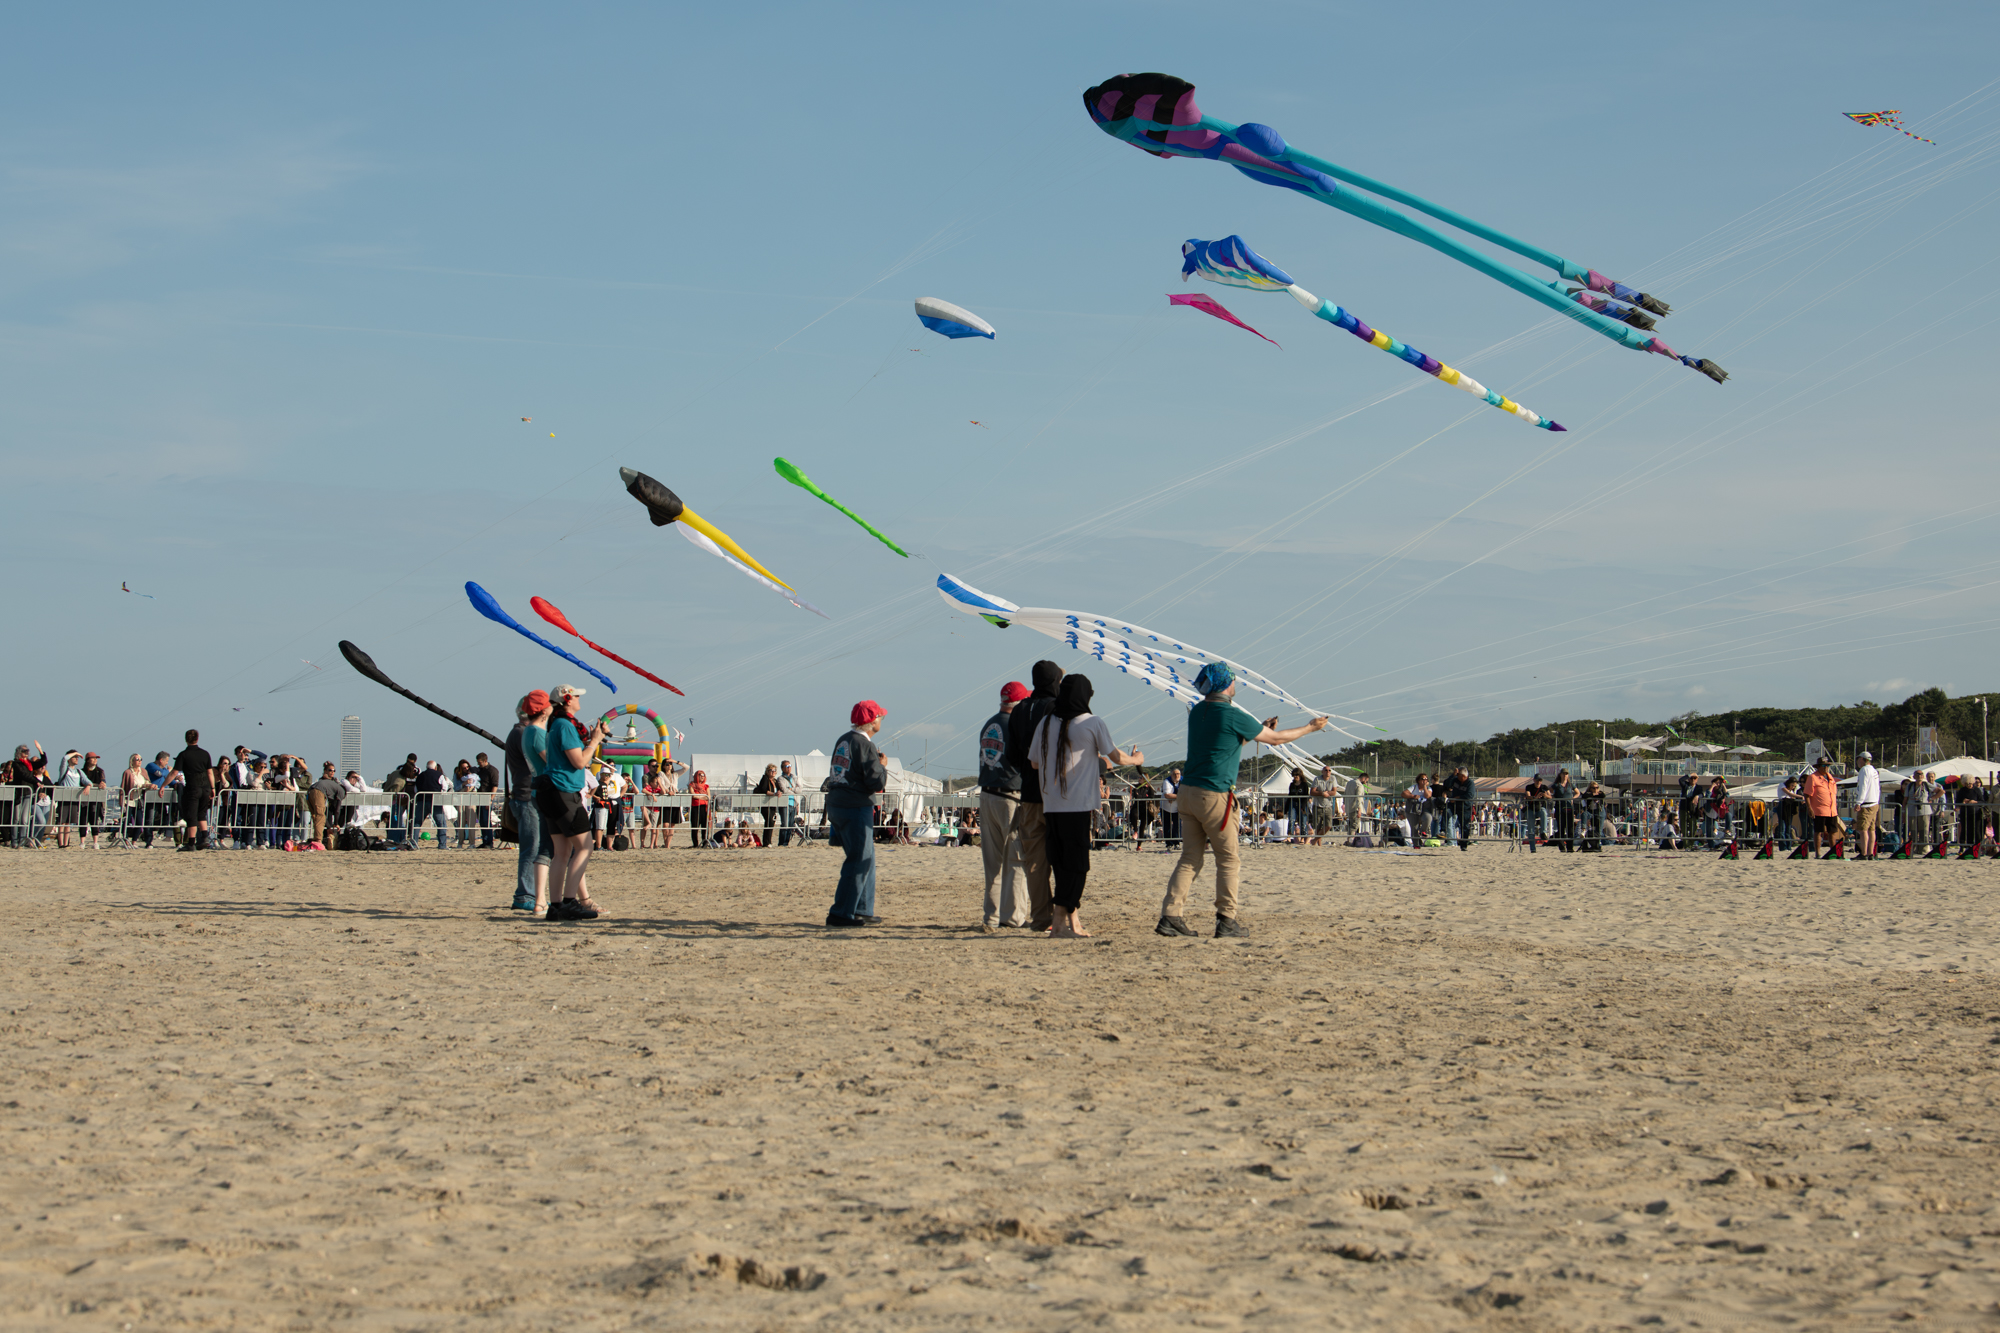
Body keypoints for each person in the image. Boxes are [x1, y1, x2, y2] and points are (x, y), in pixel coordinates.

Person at [1157, 663, 1328, 940]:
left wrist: (1257, 729)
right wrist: (1311, 727)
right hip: (1214, 794)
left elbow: (1224, 744)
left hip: (1188, 793)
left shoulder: (1198, 711)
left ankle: (1170, 915)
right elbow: (1276, 739)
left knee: (1189, 858)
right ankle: (1226, 920)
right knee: (1228, 859)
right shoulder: (1233, 714)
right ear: (1226, 684)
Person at [1026, 675, 1142, 939]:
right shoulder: (1092, 722)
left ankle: (1072, 922)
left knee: (1060, 864)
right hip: (1077, 806)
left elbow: (1034, 763)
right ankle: (1059, 924)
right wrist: (1137, 758)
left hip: (1051, 805)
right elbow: (1116, 757)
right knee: (1078, 867)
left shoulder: (1046, 722)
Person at [536, 684, 607, 919]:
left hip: (551, 791)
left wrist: (595, 738)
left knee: (562, 852)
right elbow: (579, 762)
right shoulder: (565, 725)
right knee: (585, 847)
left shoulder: (556, 724)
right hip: (564, 791)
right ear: (567, 700)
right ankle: (569, 902)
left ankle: (556, 906)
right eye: (576, 695)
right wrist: (594, 741)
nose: (579, 699)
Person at [1004, 661, 1065, 934]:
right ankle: (1063, 915)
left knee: (1035, 863)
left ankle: (1041, 918)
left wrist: (1027, 770)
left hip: (1028, 794)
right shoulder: (1056, 707)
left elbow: (1011, 755)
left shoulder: (1019, 710)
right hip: (1056, 795)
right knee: (1061, 858)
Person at [825, 700, 890, 928]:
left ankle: (862, 909)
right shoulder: (865, 744)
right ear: (872, 722)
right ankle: (841, 912)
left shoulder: (844, 739)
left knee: (866, 858)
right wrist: (883, 766)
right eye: (880, 717)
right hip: (855, 806)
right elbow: (875, 782)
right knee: (859, 860)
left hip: (837, 803)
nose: (881, 720)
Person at [974, 681, 1032, 931]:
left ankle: (992, 916)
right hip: (1009, 796)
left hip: (987, 794)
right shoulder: (1016, 725)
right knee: (1016, 858)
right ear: (1020, 702)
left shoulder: (990, 724)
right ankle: (1013, 916)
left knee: (992, 863)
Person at [505, 691, 555, 912]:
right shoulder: (523, 733)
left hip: (523, 795)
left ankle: (529, 894)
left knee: (534, 847)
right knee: (532, 848)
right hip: (525, 797)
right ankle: (525, 894)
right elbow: (547, 758)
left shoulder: (518, 732)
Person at [173, 729, 216, 851]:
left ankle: (191, 843)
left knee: (192, 816)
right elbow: (210, 773)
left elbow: (174, 772)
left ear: (186, 739)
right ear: (197, 738)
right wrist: (212, 787)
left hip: (193, 787)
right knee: (202, 814)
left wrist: (163, 785)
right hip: (205, 787)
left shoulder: (183, 755)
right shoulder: (205, 754)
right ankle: (204, 838)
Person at [1802, 755, 1841, 857]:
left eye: (1827, 765)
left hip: (1832, 810)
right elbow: (1807, 794)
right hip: (1819, 810)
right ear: (1818, 766)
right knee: (1818, 831)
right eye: (1823, 765)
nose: (1826, 767)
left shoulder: (1830, 777)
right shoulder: (1812, 777)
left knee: (1832, 831)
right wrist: (1809, 808)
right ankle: (1818, 853)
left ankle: (1833, 852)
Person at [308, 761, 345, 848]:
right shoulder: (341, 792)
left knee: (315, 816)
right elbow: (337, 810)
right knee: (320, 817)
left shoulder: (332, 784)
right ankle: (318, 841)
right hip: (318, 791)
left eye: (334, 770)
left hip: (310, 791)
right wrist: (336, 823)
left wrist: (329, 827)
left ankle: (316, 839)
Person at [1440, 765, 1474, 851]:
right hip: (1454, 804)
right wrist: (1453, 775)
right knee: (1446, 811)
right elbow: (1447, 784)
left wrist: (1457, 798)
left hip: (1465, 807)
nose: (1457, 776)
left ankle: (1464, 844)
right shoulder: (1455, 779)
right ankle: (1443, 830)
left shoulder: (1470, 783)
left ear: (1463, 776)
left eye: (1458, 775)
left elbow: (1469, 795)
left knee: (1464, 826)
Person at [474, 752, 501, 849]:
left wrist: (491, 799)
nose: (479, 764)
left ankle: (489, 841)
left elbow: (494, 785)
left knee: (486, 820)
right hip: (479, 797)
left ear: (485, 760)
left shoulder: (492, 770)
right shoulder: (479, 771)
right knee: (481, 820)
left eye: (480, 762)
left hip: (487, 797)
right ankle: (485, 840)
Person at [753, 763, 783, 848]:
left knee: (772, 821)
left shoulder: (775, 781)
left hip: (772, 804)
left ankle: (769, 841)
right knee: (768, 820)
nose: (773, 772)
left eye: (774, 770)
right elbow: (763, 790)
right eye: (771, 770)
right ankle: (766, 842)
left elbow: (779, 789)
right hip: (764, 804)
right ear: (767, 771)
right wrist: (773, 794)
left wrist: (779, 792)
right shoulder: (765, 779)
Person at [1129, 770, 1158, 851]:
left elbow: (1151, 796)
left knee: (1142, 826)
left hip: (1145, 808)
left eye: (1141, 778)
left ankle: (1139, 846)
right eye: (1139, 777)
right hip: (1137, 806)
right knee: (1134, 815)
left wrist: (1143, 796)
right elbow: (1136, 796)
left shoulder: (1149, 787)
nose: (1139, 779)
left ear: (1145, 779)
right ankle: (1135, 831)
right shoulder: (1136, 787)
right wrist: (1143, 797)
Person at [775, 760, 800, 847]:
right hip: (785, 803)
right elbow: (784, 790)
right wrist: (794, 790)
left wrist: (791, 789)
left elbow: (800, 789)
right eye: (786, 766)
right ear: (782, 768)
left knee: (790, 824)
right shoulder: (780, 778)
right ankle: (781, 843)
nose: (788, 768)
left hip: (793, 803)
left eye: (789, 766)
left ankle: (786, 842)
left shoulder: (795, 778)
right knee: (785, 824)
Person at [1159, 766, 1182, 849]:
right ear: (1171, 775)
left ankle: (1177, 843)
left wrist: (1174, 797)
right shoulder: (1167, 781)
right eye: (1174, 774)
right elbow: (1167, 795)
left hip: (1177, 808)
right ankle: (1169, 843)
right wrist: (1180, 796)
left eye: (1178, 774)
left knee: (1177, 826)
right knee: (1167, 826)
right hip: (1166, 808)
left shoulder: (1183, 781)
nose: (1176, 776)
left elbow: (1188, 793)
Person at [687, 769, 711, 848]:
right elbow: (693, 795)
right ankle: (695, 844)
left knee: (704, 826)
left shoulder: (706, 786)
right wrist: (703, 797)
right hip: (695, 807)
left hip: (704, 808)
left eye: (703, 775)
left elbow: (708, 797)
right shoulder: (692, 785)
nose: (702, 777)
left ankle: (705, 843)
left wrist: (699, 796)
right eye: (700, 775)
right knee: (695, 826)